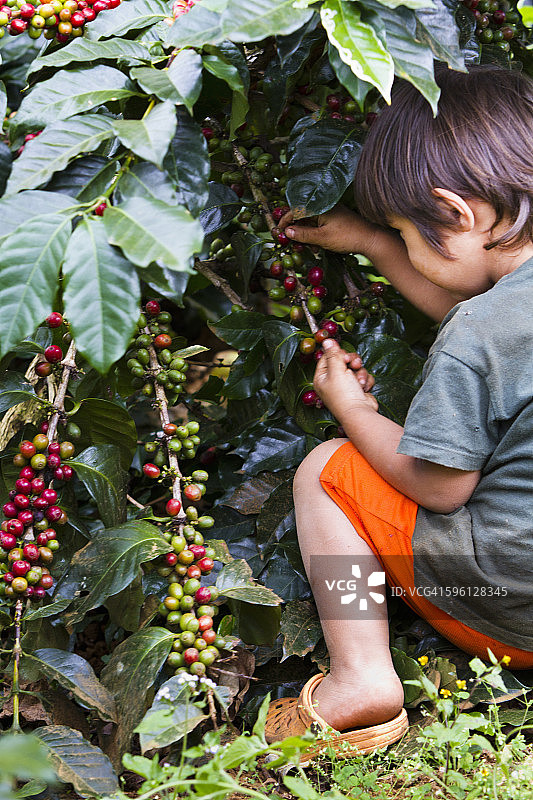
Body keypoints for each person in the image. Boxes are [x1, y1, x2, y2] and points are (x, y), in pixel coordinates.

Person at [264, 65, 533, 755]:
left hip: (507, 608)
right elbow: (484, 315)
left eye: (407, 231)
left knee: (327, 470)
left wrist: (351, 409)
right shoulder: (504, 315)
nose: (405, 245)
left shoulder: (479, 333)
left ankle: (360, 678)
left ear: (456, 213)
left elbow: (440, 488)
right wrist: (378, 244)